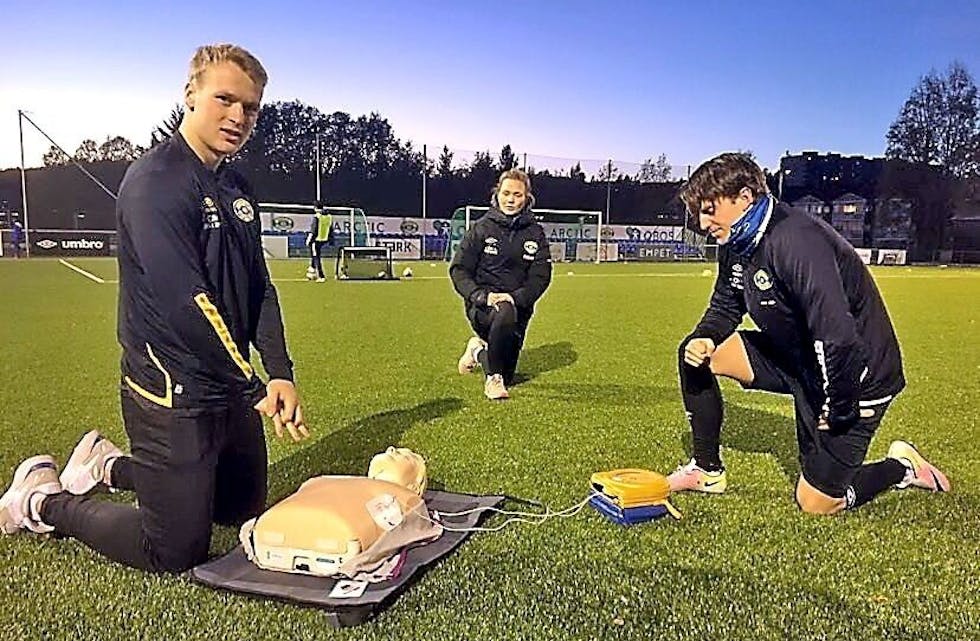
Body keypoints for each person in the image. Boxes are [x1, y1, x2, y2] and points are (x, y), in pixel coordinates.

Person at [0, 44, 309, 572]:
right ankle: (43, 501)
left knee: (237, 509)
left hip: (226, 382)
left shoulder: (236, 183)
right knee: (174, 551)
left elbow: (259, 283)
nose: (238, 117)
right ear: (191, 96)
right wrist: (254, 387)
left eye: (251, 107)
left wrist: (280, 371)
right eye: (225, 99)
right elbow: (185, 305)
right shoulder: (156, 183)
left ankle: (109, 465)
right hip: (173, 390)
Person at [669, 152, 949, 515]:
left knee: (817, 502)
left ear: (743, 198)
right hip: (801, 359)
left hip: (857, 376)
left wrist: (839, 407)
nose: (702, 221)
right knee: (696, 353)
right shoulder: (737, 243)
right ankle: (706, 471)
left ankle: (903, 468)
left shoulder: (796, 240)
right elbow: (726, 302)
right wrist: (706, 335)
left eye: (709, 209)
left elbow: (838, 336)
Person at [450, 169, 552, 400]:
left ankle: (477, 351)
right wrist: (480, 296)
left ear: (527, 198)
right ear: (497, 195)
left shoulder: (535, 233)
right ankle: (492, 380)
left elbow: (541, 276)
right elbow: (459, 270)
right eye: (506, 193)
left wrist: (516, 298)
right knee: (502, 311)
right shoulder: (480, 229)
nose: (511, 199)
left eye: (517, 194)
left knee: (509, 375)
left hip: (519, 309)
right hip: (483, 307)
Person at [305, 203, 332, 282]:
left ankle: (321, 276)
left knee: (316, 257)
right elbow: (330, 228)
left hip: (316, 239)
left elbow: (313, 229)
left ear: (315, 208)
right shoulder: (329, 217)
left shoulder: (317, 217)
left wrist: (309, 240)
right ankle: (312, 270)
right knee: (315, 255)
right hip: (324, 239)